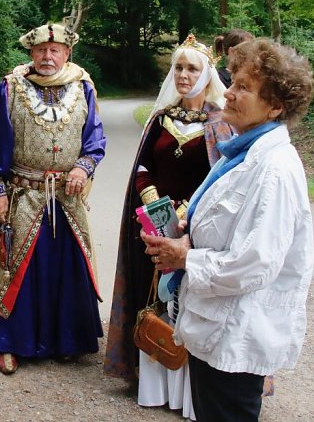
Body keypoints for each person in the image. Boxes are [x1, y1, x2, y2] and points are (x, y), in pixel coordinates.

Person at [142, 38, 314, 421]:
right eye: (232, 83)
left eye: (243, 88)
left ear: (274, 106)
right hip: (215, 328)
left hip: (237, 334)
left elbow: (256, 263)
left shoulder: (274, 170)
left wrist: (186, 256)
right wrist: (185, 237)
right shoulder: (242, 154)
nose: (230, 94)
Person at [103, 35, 234, 418]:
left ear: (206, 73)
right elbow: (143, 169)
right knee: (155, 300)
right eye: (178, 67)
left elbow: (224, 178)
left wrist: (187, 213)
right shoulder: (161, 119)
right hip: (157, 225)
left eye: (191, 67)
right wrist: (155, 206)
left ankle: (192, 393)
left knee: (191, 306)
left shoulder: (221, 122)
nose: (182, 74)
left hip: (198, 230)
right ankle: (155, 382)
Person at [0, 22, 106, 375]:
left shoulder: (83, 87)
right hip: (22, 194)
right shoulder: (10, 88)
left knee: (66, 266)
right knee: (17, 270)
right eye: (41, 50)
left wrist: (83, 168)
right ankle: (11, 344)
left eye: (55, 50)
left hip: (67, 197)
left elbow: (94, 141)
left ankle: (66, 341)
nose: (48, 56)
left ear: (66, 53)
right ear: (31, 53)